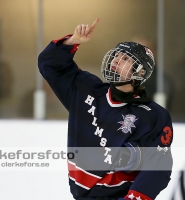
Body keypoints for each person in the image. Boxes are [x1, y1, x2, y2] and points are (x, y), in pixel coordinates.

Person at [38, 18, 173, 200]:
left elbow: (158, 166)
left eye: (125, 59)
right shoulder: (86, 89)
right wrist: (73, 41)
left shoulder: (153, 115)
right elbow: (50, 65)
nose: (116, 60)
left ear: (141, 72)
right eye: (117, 55)